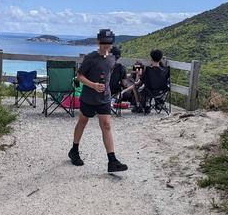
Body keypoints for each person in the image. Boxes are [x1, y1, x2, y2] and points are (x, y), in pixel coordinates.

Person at [68, 29, 128, 172]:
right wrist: (93, 85)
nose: (106, 45)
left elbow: (109, 71)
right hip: (89, 97)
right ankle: (74, 150)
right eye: (103, 42)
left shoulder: (113, 57)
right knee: (82, 122)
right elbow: (79, 76)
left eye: (109, 42)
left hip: (105, 98)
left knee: (106, 125)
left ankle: (112, 161)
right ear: (98, 41)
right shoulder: (90, 58)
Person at [139, 49, 167, 114]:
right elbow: (167, 82)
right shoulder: (165, 70)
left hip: (149, 92)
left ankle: (145, 105)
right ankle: (159, 103)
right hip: (161, 92)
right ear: (160, 59)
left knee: (140, 89)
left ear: (151, 59)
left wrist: (137, 79)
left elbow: (142, 81)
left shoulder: (148, 70)